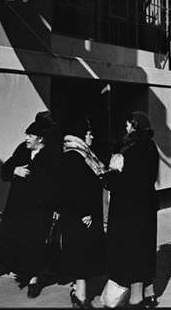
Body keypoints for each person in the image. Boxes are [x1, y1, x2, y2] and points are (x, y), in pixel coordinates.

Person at [0, 111, 60, 299]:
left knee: (36, 241)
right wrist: (14, 170)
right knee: (16, 238)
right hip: (18, 206)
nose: (26, 138)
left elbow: (58, 183)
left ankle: (34, 279)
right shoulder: (22, 150)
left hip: (40, 208)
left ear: (40, 138)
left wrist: (57, 207)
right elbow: (4, 169)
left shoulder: (52, 155)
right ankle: (21, 271)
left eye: (30, 136)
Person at [102, 112, 160, 308]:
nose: (125, 128)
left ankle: (136, 299)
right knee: (143, 250)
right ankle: (148, 293)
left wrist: (110, 174)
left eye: (128, 125)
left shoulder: (131, 149)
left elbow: (126, 182)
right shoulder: (150, 146)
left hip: (129, 209)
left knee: (132, 252)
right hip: (145, 207)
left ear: (134, 126)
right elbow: (147, 179)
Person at [60, 121, 108, 308]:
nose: (92, 136)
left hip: (83, 212)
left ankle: (77, 290)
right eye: (88, 133)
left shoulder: (85, 154)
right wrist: (84, 212)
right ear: (80, 135)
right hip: (80, 214)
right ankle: (80, 296)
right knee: (81, 254)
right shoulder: (75, 156)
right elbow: (74, 188)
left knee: (81, 253)